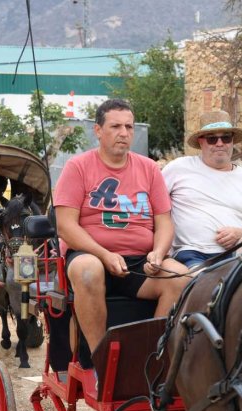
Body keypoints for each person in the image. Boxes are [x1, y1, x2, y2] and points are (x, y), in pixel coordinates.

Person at [54, 98, 189, 354]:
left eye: (129, 127)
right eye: (115, 126)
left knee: (183, 279)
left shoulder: (149, 168)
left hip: (139, 263)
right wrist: (104, 255)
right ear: (98, 131)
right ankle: (99, 360)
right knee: (87, 270)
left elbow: (164, 223)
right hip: (91, 255)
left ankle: (151, 356)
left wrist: (158, 254)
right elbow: (65, 226)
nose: (124, 133)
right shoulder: (78, 167)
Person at [162, 110, 242, 268]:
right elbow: (155, 208)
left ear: (232, 141)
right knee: (203, 284)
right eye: (212, 138)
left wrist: (241, 233)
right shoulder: (178, 168)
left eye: (225, 137)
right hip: (192, 253)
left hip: (236, 253)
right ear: (201, 141)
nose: (220, 143)